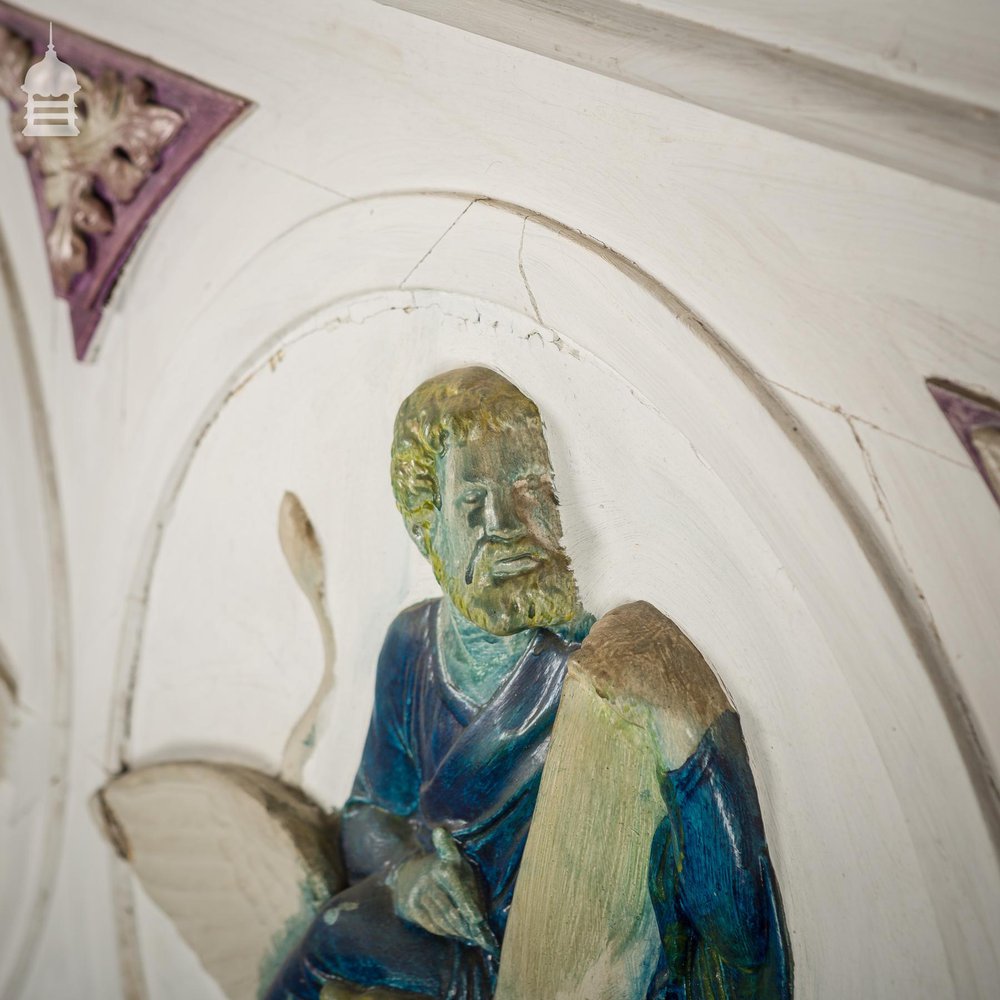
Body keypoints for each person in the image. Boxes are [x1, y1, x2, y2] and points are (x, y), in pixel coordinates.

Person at [264, 367, 790, 1000]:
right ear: (425, 527)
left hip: (558, 962)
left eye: (530, 489)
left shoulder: (597, 676)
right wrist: (412, 879)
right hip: (459, 938)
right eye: (472, 503)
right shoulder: (412, 648)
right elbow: (369, 816)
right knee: (331, 937)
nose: (507, 524)